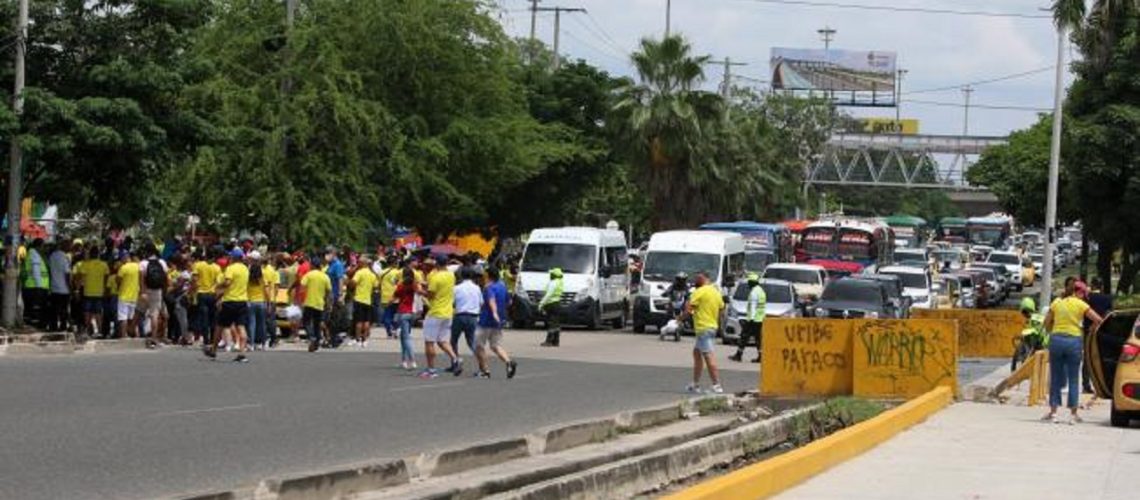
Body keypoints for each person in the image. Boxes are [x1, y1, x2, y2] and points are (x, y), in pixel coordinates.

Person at [1042, 278, 1103, 424]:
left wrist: (1053, 332)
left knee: (1055, 378)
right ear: (1079, 293)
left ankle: (1053, 413)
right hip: (1073, 341)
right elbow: (1099, 320)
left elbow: (1046, 323)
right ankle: (1073, 415)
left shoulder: (1057, 302)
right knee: (1074, 379)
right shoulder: (1081, 304)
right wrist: (1091, 329)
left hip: (1056, 340)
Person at [682, 271, 724, 394]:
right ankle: (695, 384)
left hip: (703, 328)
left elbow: (689, 308)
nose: (695, 280)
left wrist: (680, 319)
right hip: (712, 327)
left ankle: (716, 385)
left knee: (708, 356)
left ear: (704, 279)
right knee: (697, 353)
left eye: (697, 278)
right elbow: (722, 308)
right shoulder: (716, 292)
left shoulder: (698, 292)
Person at [419, 258, 461, 378]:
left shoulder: (436, 277)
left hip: (435, 312)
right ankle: (455, 359)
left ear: (436, 264)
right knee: (442, 340)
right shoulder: (451, 275)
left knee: (429, 342)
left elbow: (430, 295)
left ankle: (431, 369)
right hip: (447, 312)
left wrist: (420, 291)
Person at [208, 248, 250, 362]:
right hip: (242, 300)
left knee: (220, 325)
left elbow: (227, 282)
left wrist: (218, 286)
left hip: (230, 300)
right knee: (241, 326)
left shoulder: (230, 269)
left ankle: (213, 350)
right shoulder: (245, 269)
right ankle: (242, 352)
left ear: (234, 258)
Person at [475, 267, 517, 379]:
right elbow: (509, 301)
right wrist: (500, 312)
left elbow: (491, 300)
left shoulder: (489, 288)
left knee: (479, 346)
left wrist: (494, 312)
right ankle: (508, 362)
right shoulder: (503, 286)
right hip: (499, 321)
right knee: (495, 346)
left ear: (488, 276)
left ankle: (485, 371)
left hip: (486, 320)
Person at [1084, 277, 1113, 394]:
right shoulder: (1108, 298)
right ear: (1101, 287)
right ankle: (1102, 384)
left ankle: (1086, 385)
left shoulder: (1087, 298)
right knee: (1101, 357)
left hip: (1087, 331)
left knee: (1087, 358)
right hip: (1102, 331)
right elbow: (1109, 313)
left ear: (1092, 285)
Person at [299, 256, 332, 353]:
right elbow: (328, 292)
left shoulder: (308, 275)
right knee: (317, 324)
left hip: (309, 302)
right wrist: (329, 304)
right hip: (320, 304)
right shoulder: (325, 276)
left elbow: (302, 288)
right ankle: (316, 343)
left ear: (312, 265)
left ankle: (311, 336)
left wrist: (301, 301)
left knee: (306, 322)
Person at [75, 246, 109, 338]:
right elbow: (106, 279)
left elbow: (80, 278)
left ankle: (88, 330)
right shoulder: (104, 265)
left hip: (88, 292)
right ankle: (100, 331)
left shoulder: (85, 265)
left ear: (90, 254)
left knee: (87, 312)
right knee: (98, 312)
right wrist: (105, 290)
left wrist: (77, 290)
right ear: (98, 254)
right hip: (99, 292)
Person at [730, 273, 765, 363]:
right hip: (760, 319)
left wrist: (750, 320)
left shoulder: (753, 293)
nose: (748, 284)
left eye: (749, 282)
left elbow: (753, 307)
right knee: (758, 339)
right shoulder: (761, 291)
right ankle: (760, 356)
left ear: (752, 282)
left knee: (744, 337)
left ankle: (739, 355)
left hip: (752, 320)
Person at [139, 244, 169, 347]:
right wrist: (165, 291)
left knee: (139, 311)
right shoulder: (162, 262)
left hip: (147, 290)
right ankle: (155, 337)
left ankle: (132, 332)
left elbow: (142, 279)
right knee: (155, 314)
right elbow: (166, 278)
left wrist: (143, 292)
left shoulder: (143, 263)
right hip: (158, 291)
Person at [191, 248, 221, 346]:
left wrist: (192, 291)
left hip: (201, 293)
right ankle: (212, 338)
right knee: (212, 317)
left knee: (203, 317)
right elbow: (218, 282)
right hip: (212, 294)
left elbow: (194, 280)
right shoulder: (217, 267)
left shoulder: (198, 265)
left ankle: (205, 339)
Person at [451, 267, 483, 358]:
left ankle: (456, 360)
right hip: (473, 317)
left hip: (460, 316)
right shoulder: (477, 288)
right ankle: (481, 361)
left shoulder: (456, 288)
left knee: (454, 341)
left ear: (461, 276)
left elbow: (452, 303)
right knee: (471, 341)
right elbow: (481, 303)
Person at [245, 251, 273, 350]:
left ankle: (251, 344)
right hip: (261, 302)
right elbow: (266, 291)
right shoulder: (262, 279)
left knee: (252, 324)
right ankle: (263, 344)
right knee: (262, 324)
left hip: (250, 302)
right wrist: (269, 303)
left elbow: (245, 290)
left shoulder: (248, 279)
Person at [393, 266, 419, 370]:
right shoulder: (415, 285)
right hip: (412, 313)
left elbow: (395, 295)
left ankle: (412, 361)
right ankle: (404, 361)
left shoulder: (401, 285)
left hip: (403, 311)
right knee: (404, 337)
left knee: (406, 338)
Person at [349, 256, 378, 348]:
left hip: (359, 299)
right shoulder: (372, 274)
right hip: (368, 300)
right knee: (367, 321)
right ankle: (364, 340)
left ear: (362, 263)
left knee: (358, 321)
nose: (358, 264)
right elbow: (376, 286)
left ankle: (358, 339)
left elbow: (353, 283)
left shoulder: (359, 272)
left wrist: (351, 286)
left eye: (359, 262)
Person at [21, 238, 50, 327]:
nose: (44, 248)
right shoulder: (35, 255)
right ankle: (36, 326)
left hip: (28, 286)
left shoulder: (29, 254)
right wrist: (39, 286)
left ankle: (29, 324)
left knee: (29, 309)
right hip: (36, 287)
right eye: (43, 246)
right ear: (39, 246)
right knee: (36, 309)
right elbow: (36, 271)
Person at [116, 252, 142, 338]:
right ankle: (135, 335)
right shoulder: (137, 267)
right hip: (134, 296)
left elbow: (118, 280)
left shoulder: (123, 268)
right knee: (131, 317)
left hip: (124, 296)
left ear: (124, 258)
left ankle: (124, 336)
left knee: (123, 317)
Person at [47, 241, 72, 332]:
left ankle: (53, 326)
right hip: (64, 289)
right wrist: (70, 286)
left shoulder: (52, 256)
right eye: (69, 246)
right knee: (64, 309)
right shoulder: (65, 257)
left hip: (54, 287)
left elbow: (49, 270)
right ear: (64, 247)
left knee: (54, 309)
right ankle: (63, 326)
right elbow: (67, 274)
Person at [539, 267, 564, 347]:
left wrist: (541, 303)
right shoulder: (560, 282)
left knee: (551, 323)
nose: (550, 275)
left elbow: (548, 294)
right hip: (557, 303)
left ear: (553, 275)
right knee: (556, 322)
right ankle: (556, 341)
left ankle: (549, 341)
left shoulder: (553, 282)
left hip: (551, 304)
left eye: (551, 273)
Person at [377, 255, 401, 339]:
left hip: (385, 297)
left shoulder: (382, 272)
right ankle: (395, 330)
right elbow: (399, 284)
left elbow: (378, 284)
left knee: (387, 314)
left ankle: (389, 332)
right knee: (397, 315)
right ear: (395, 263)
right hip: (396, 297)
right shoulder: (398, 272)